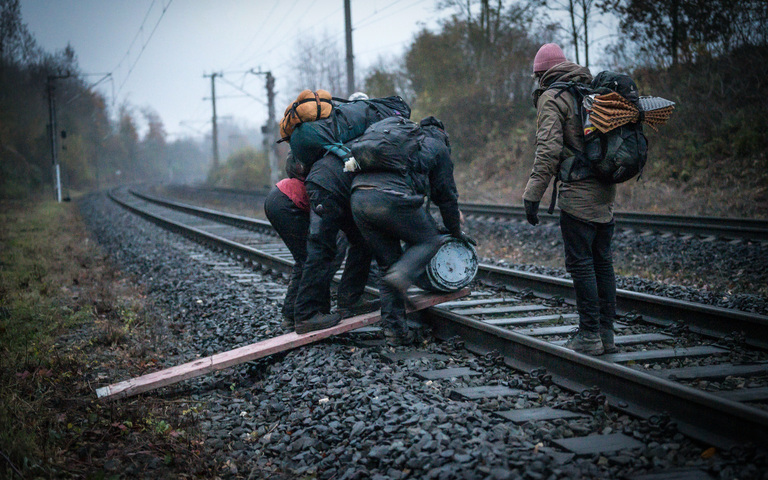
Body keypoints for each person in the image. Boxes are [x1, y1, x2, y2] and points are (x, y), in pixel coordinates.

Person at [522, 43, 617, 356]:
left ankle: (589, 335)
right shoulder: (589, 91)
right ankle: (606, 334)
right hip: (605, 189)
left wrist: (533, 194)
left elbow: (548, 150)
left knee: (582, 263)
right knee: (602, 262)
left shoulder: (553, 97)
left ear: (541, 74)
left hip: (578, 193)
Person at [351, 117, 474, 346]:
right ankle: (402, 275)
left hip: (359, 198)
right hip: (391, 198)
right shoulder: (438, 147)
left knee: (387, 266)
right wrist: (455, 231)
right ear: (444, 135)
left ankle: (395, 332)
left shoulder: (403, 144)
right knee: (429, 241)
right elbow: (446, 196)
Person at [263, 153, 345, 331]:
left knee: (305, 260)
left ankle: (291, 315)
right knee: (313, 259)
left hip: (280, 197)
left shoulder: (321, 161)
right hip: (287, 201)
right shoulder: (330, 164)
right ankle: (309, 314)